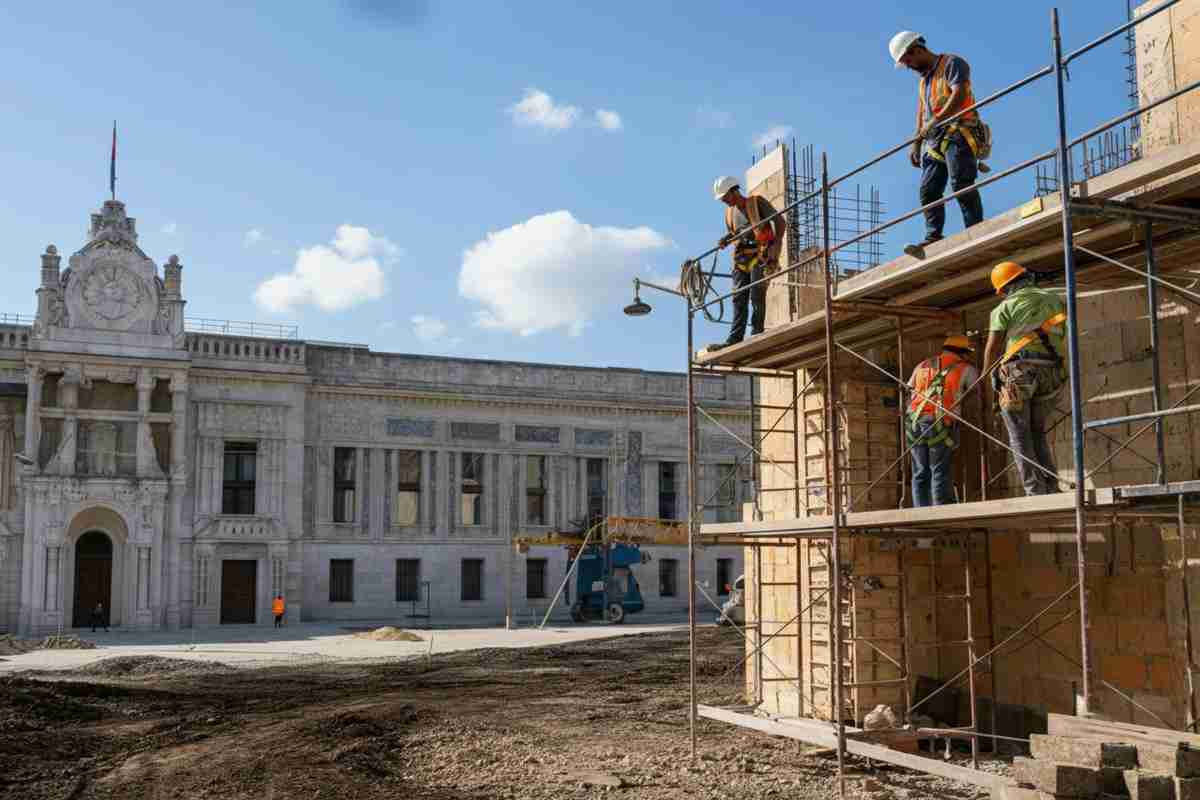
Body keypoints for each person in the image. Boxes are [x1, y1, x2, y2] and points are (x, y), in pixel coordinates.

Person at [889, 31, 987, 259]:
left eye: (908, 61)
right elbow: (922, 114)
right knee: (929, 189)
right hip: (934, 139)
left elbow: (959, 93)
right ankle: (933, 235)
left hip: (959, 131)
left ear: (917, 50)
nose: (909, 66)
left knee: (961, 181)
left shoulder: (952, 63)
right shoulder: (923, 82)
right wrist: (916, 143)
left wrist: (935, 121)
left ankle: (975, 228)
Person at [983, 261, 1067, 496]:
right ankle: (1051, 486)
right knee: (1037, 431)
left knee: (1020, 433)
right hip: (1053, 370)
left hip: (1019, 372)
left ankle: (1034, 490)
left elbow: (993, 346)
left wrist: (986, 376)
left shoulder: (1004, 308)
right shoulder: (1053, 299)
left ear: (1005, 288)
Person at [709, 176, 785, 349]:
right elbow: (736, 232)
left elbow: (780, 222)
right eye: (721, 199)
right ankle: (735, 338)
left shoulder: (756, 203)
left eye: (725, 197)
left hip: (760, 254)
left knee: (756, 293)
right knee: (738, 297)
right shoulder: (729, 213)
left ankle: (757, 332)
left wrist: (775, 247)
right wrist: (726, 239)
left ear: (735, 191)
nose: (724, 201)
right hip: (742, 257)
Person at [905, 335, 980, 507]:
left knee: (920, 471)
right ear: (962, 352)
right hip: (940, 422)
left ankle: (921, 511)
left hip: (914, 423)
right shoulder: (965, 369)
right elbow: (977, 392)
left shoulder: (922, 365)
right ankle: (939, 508)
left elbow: (910, 392)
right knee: (938, 469)